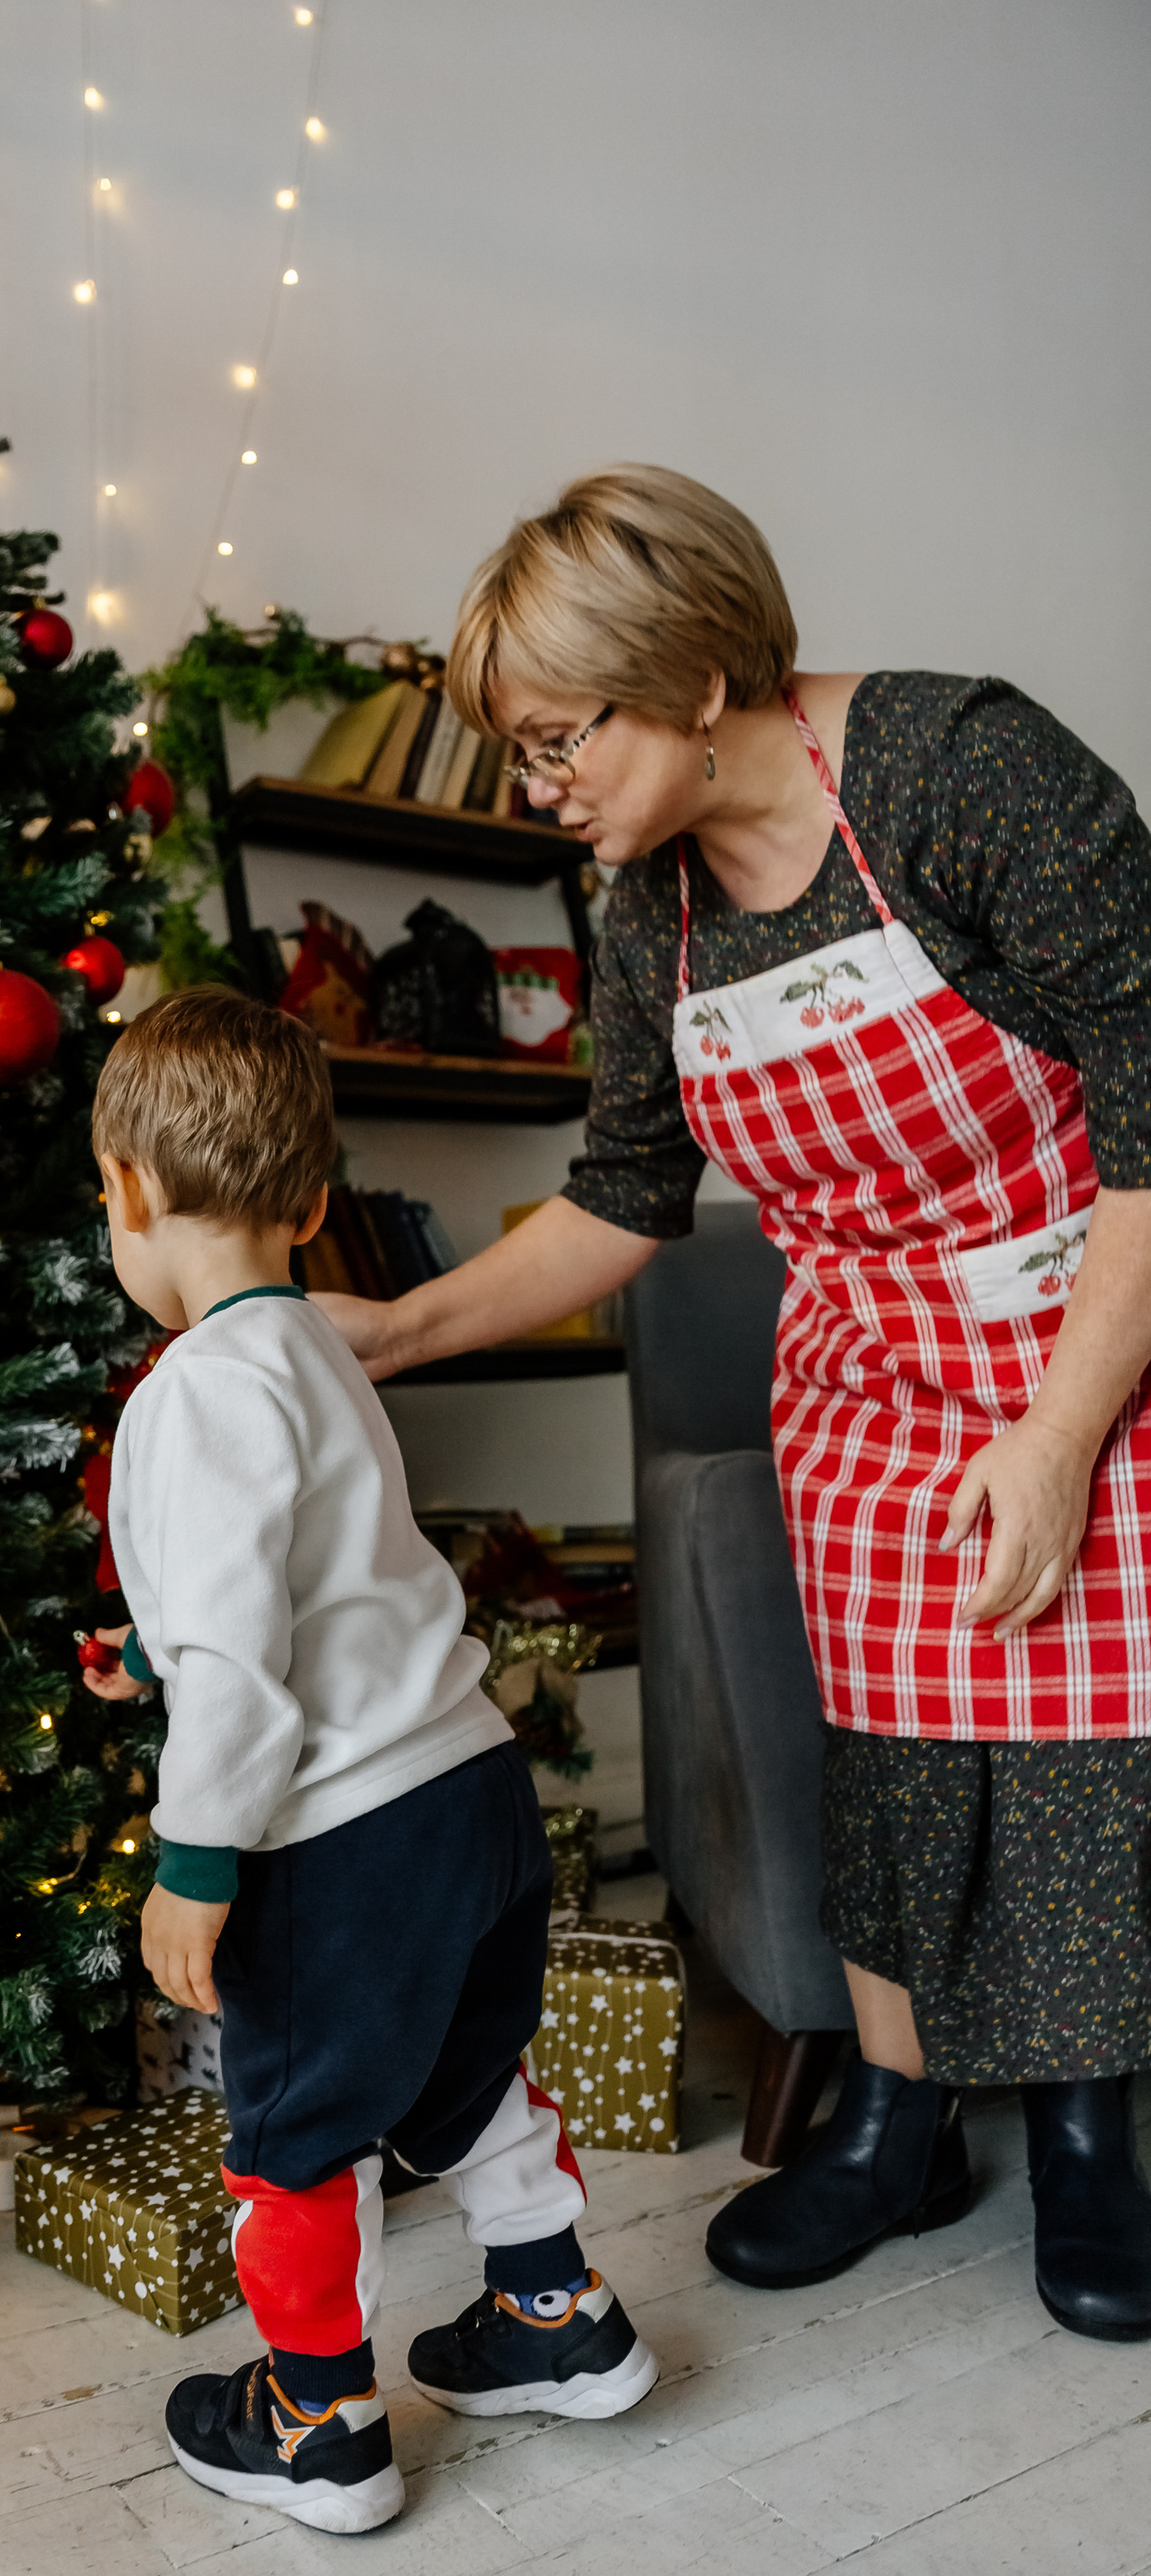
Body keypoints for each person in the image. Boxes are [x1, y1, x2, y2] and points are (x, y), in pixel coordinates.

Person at [316, 464, 1151, 2341]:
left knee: (1093, 1744)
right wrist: (395, 1328)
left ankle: (1094, 2146)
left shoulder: (960, 770)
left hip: (1096, 1319)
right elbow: (623, 1191)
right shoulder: (645, 907)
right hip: (863, 1367)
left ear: (696, 679)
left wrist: (1064, 1429)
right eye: (524, 754)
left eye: (560, 739)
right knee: (886, 1752)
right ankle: (894, 2123)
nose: (544, 788)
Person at [81, 987, 658, 2537]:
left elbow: (240, 1673)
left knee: (298, 2130)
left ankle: (318, 2422)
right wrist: (157, 1652)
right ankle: (556, 2318)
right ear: (315, 1202)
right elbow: (313, 1578)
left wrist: (191, 1868)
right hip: (469, 1786)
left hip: (335, 1839)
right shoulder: (325, 1351)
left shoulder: (190, 1390)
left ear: (127, 1196)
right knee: (471, 2079)